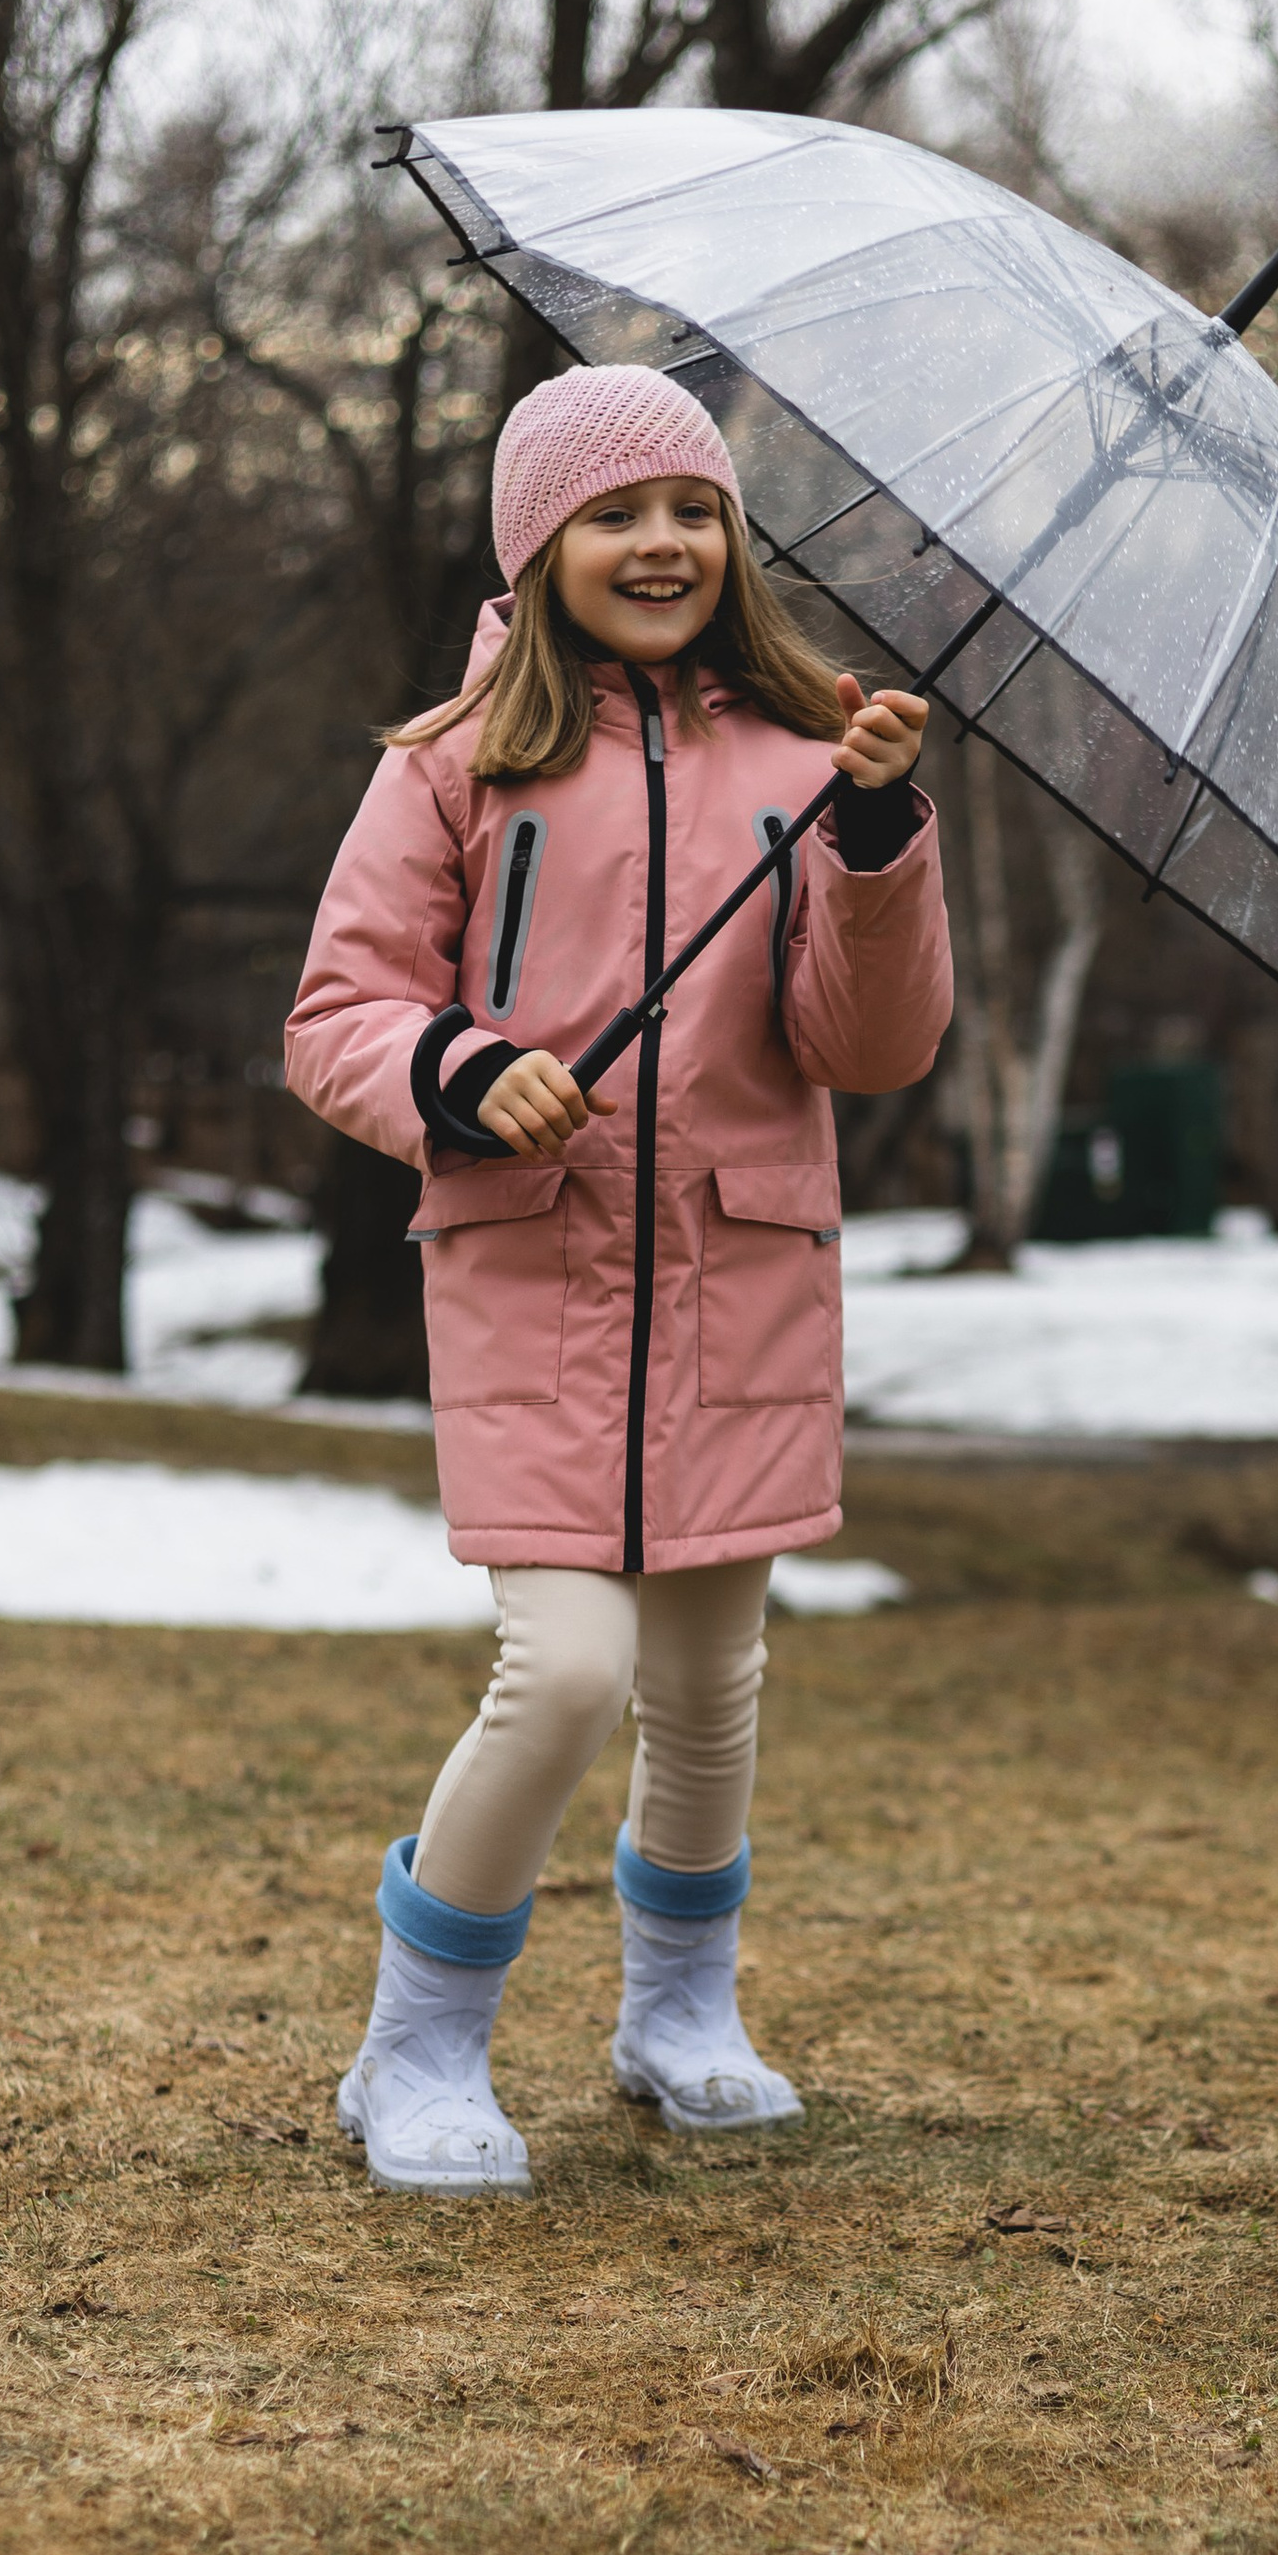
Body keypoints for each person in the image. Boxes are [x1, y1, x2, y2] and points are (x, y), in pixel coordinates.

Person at [287, 363, 953, 2192]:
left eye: (691, 509)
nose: (659, 542)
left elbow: (867, 1043)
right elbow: (338, 1012)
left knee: (713, 1679)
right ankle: (413, 2049)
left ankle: (679, 2013)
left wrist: (881, 845)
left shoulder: (818, 759)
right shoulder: (450, 766)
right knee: (567, 1669)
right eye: (614, 512)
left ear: (732, 539)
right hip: (538, 1268)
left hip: (740, 1263)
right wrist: (455, 1074)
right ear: (540, 545)